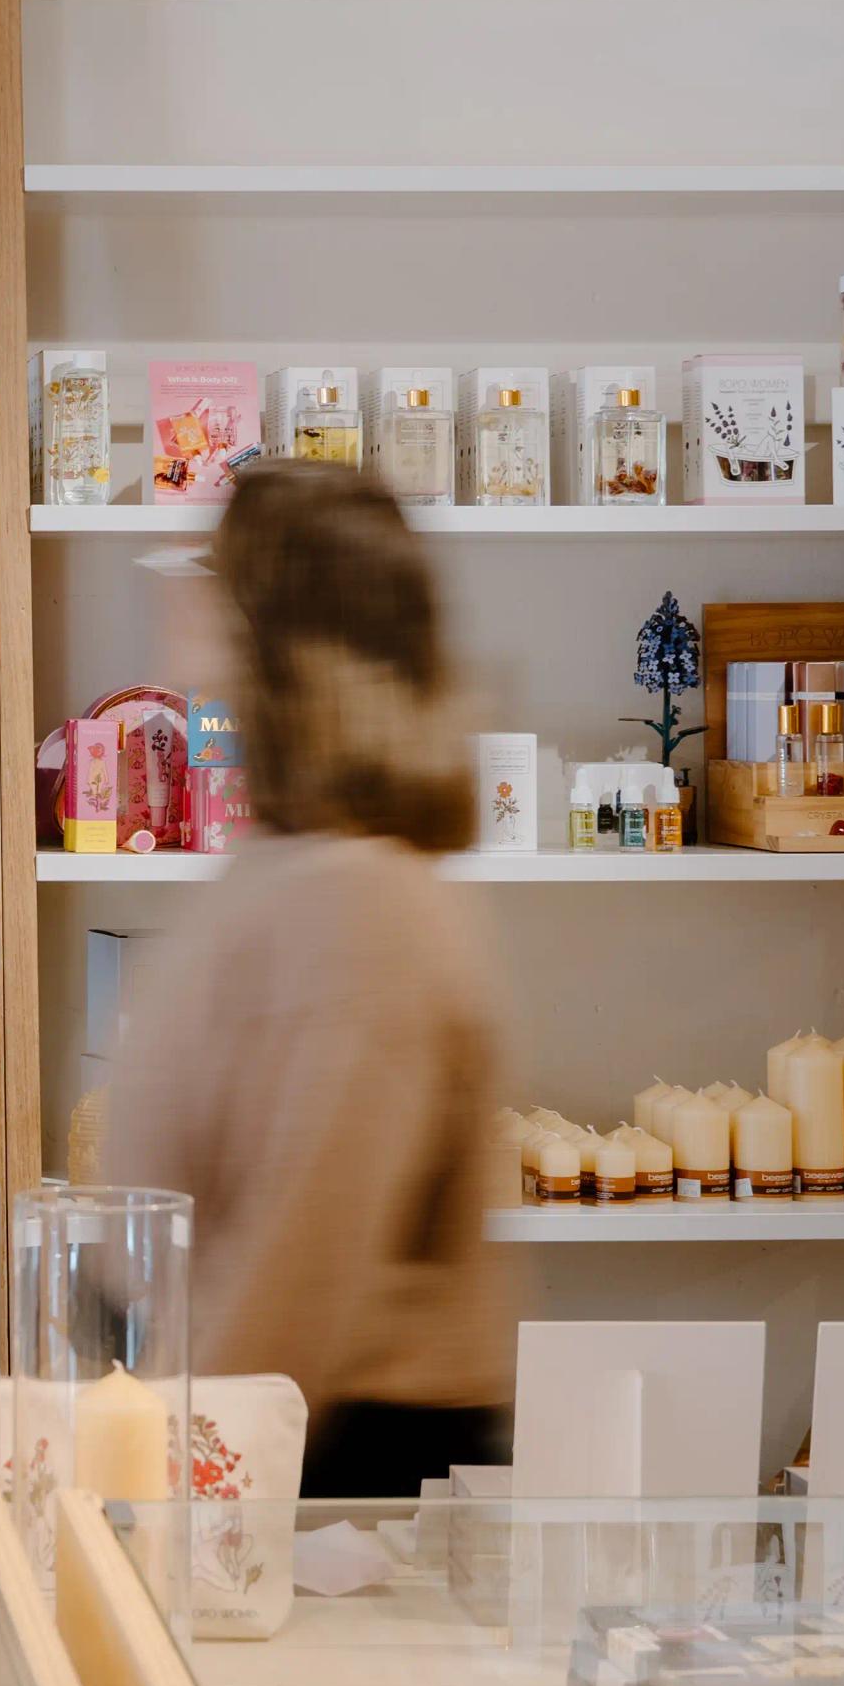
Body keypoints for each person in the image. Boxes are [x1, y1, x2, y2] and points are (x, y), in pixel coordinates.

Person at [112, 459, 515, 1496]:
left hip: (332, 1472)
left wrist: (159, 1482)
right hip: (268, 1440)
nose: (179, 596)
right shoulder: (294, 867)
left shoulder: (360, 904)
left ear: (285, 638)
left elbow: (303, 1262)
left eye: (212, 573)